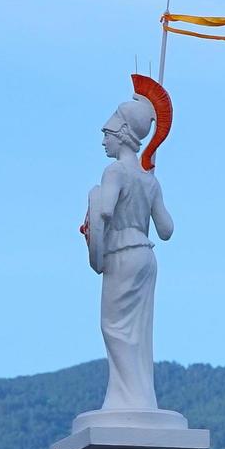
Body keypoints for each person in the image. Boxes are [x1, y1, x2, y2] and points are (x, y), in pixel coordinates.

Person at [81, 80, 175, 411]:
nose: (103, 140)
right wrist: (148, 190)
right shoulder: (150, 179)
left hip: (121, 252)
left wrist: (91, 227)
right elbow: (166, 229)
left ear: (122, 134)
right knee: (140, 332)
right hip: (146, 256)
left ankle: (125, 401)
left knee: (115, 328)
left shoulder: (114, 172)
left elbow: (105, 210)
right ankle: (141, 397)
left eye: (107, 134)